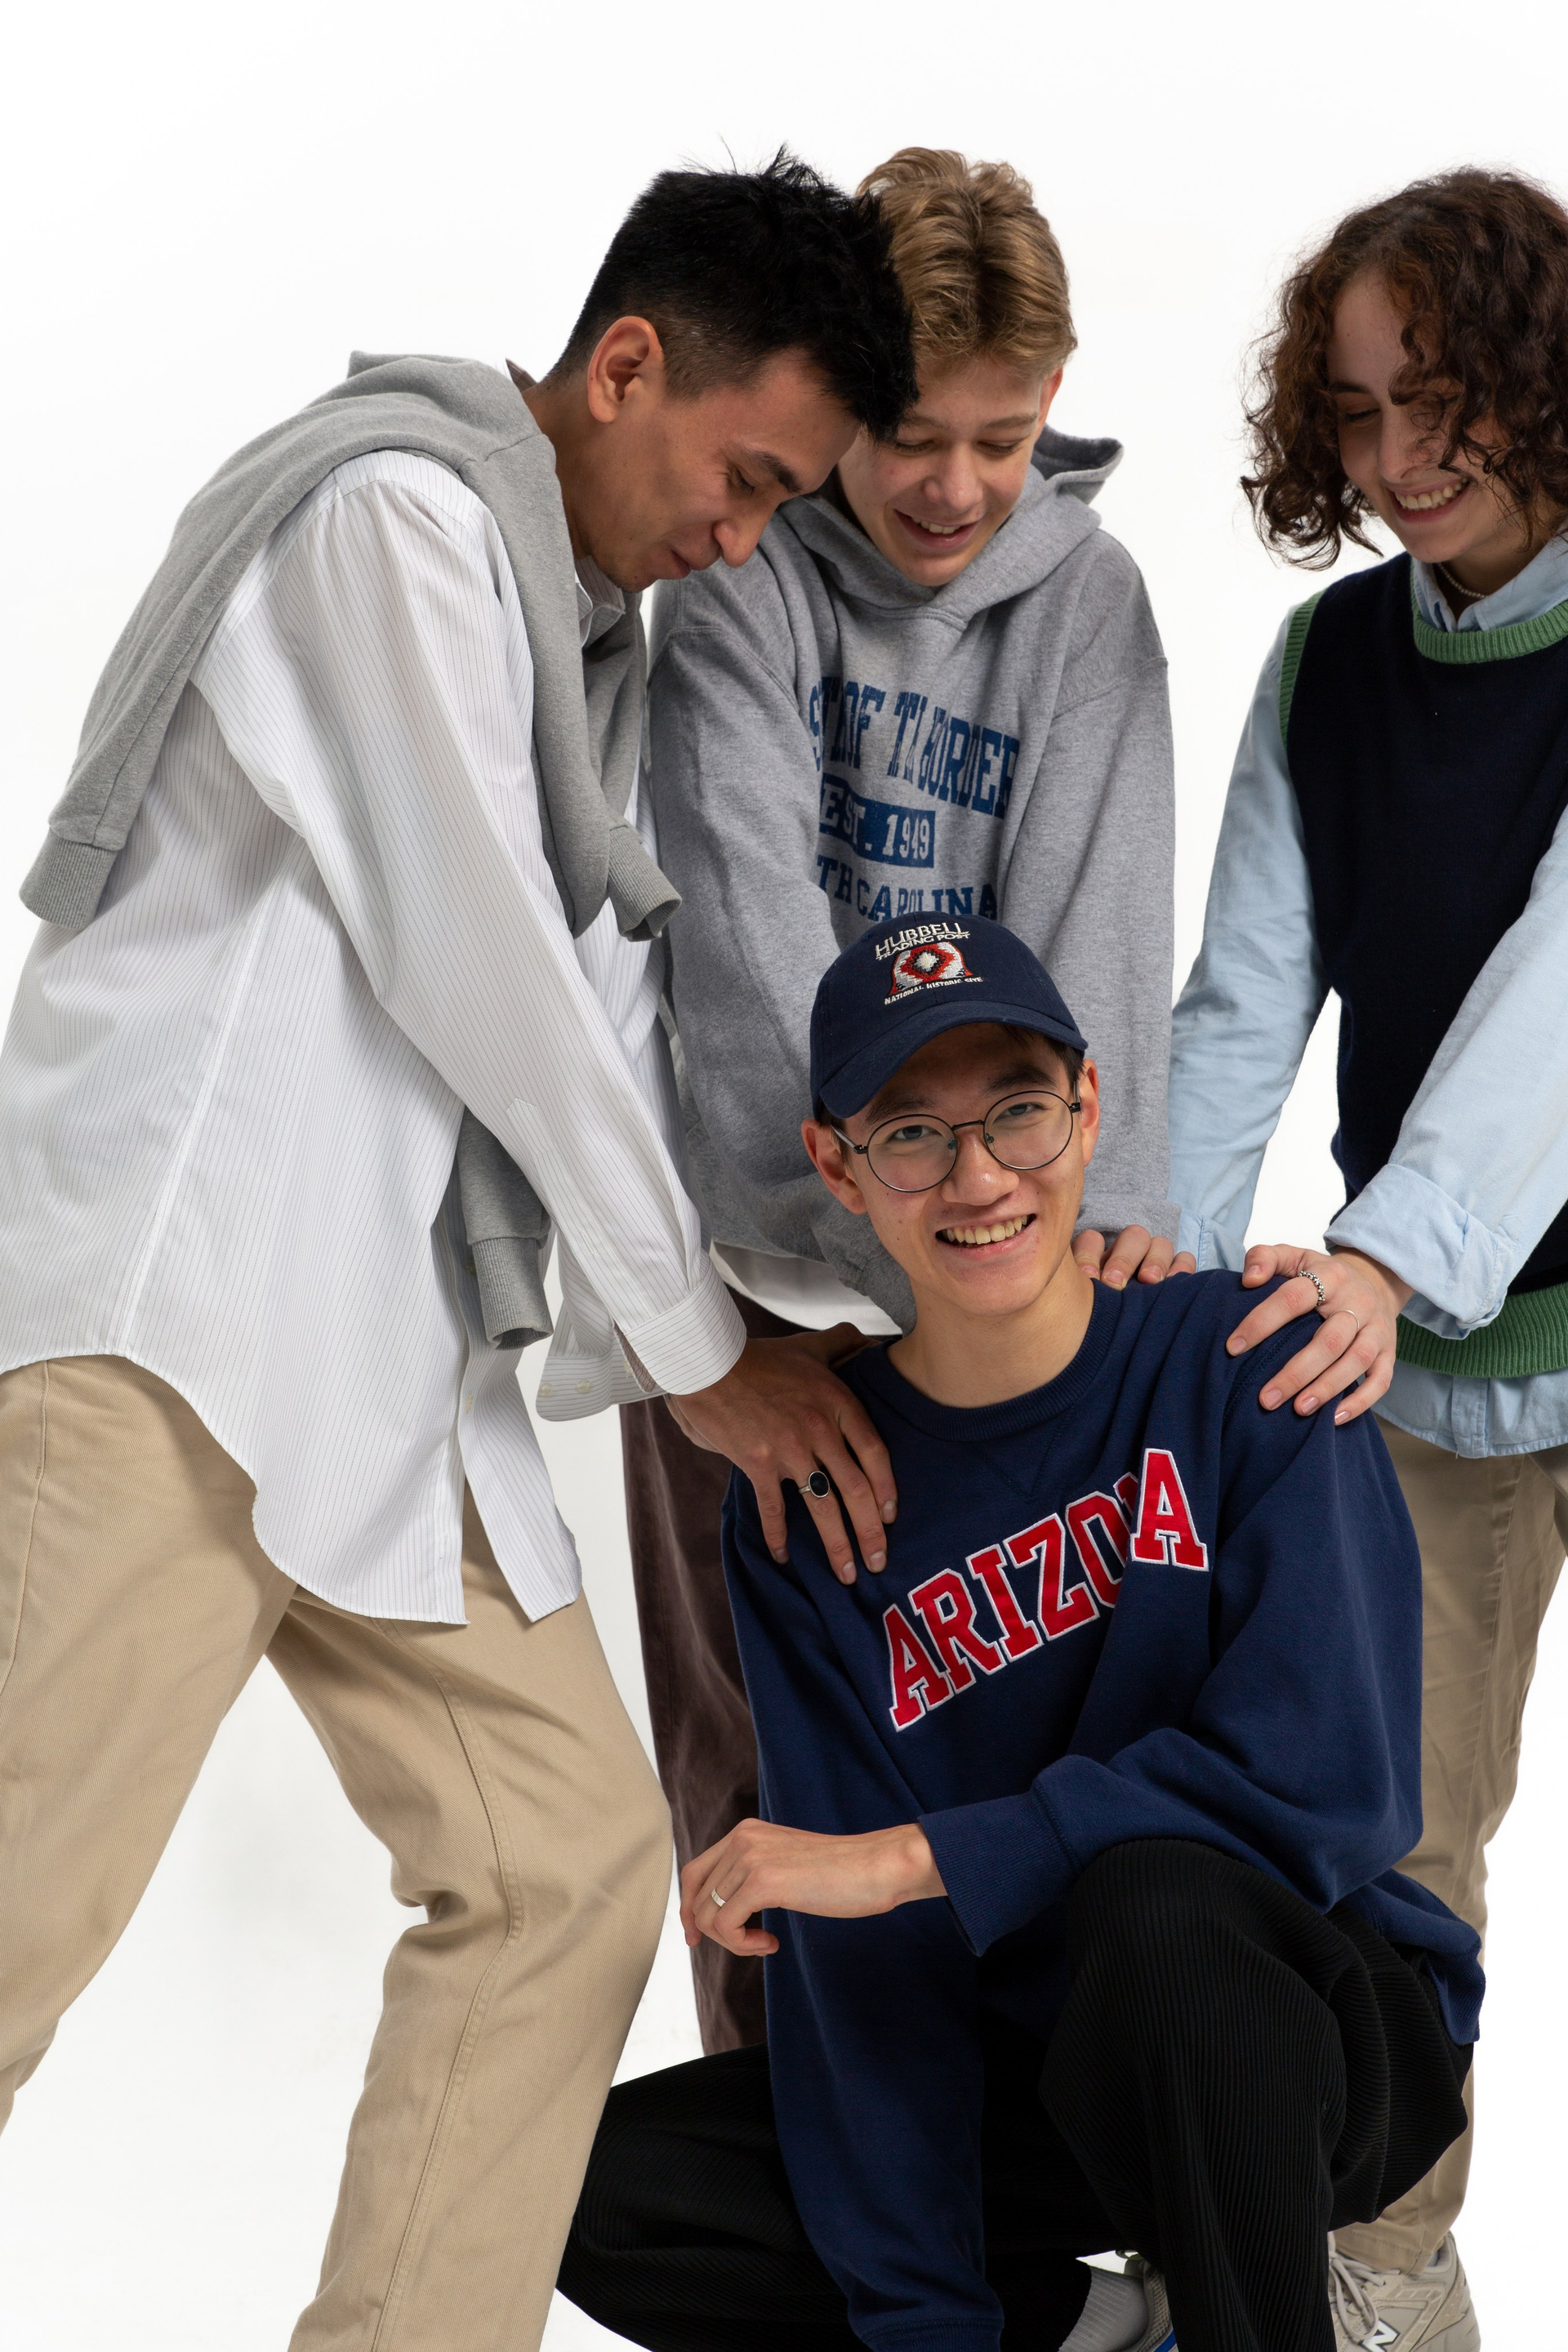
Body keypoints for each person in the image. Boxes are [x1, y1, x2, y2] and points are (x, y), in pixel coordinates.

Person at [0, 157, 919, 2352]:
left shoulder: (580, 658)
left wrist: (872, 1292)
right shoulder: (392, 524)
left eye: (786, 509)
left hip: (394, 1383)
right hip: (175, 1333)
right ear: (626, 368)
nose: (742, 539)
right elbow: (488, 966)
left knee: (566, 1868)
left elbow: (613, 1026)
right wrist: (695, 1354)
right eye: (745, 477)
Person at [558, 914, 1481, 2352]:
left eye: (1018, 1113)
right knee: (600, 2190)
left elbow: (1324, 1788)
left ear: (1089, 1107)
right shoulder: (813, 1502)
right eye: (912, 1135)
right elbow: (865, 1970)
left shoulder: (1250, 1358)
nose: (979, 1176)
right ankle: (1102, 2330)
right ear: (838, 1167)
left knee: (1156, 1911)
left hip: (1316, 2019)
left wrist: (915, 1859)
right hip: (1048, 2065)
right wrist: (931, 2328)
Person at [626, 148, 1180, 2052]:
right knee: (754, 1784)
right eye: (913, 436)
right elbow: (746, 949)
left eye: (1003, 441)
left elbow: (1100, 955)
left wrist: (1046, 1287)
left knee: (1018, 1780)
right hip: (765, 1291)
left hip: (1013, 1292)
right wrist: (892, 1254)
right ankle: (783, 2192)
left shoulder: (1087, 605)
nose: (955, 487)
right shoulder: (745, 577)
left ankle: (1026, 2207)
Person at [1167, 166, 1568, 2347]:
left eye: (1445, 400)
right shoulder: (1331, 666)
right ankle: (1393, 2281)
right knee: (1395, 1850)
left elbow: (1560, 998)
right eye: (1357, 409)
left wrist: (1388, 1251)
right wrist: (1144, 1282)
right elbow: (1244, 995)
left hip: (1426, 1283)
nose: (1399, 458)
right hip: (1431, 1380)